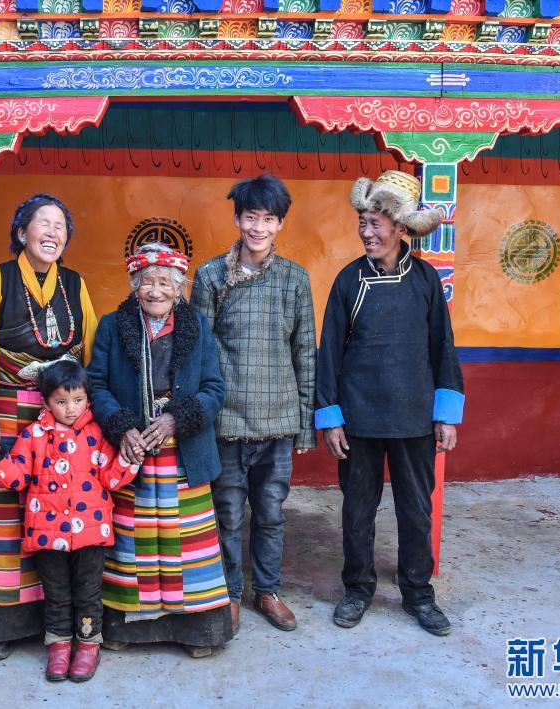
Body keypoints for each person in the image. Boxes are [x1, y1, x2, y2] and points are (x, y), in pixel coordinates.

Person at [315, 170, 465, 637]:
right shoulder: (349, 280)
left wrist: (446, 415)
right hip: (359, 420)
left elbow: (443, 347)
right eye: (362, 222)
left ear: (400, 228)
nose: (366, 232)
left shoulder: (425, 279)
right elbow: (329, 352)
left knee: (416, 511)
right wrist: (331, 418)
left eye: (375, 223)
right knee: (357, 511)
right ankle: (357, 589)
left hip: (414, 419)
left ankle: (418, 593)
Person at [0, 193, 98, 660]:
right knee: (3, 515)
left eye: (61, 226)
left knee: (61, 513)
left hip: (63, 416)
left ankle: (59, 624)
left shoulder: (74, 284)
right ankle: (2, 622)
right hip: (5, 411)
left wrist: (90, 417)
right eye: (43, 223)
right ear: (22, 233)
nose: (53, 232)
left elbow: (90, 350)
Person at [86, 242, 232, 658]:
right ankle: (127, 629)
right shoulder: (112, 325)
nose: (155, 291)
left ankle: (197, 631)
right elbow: (96, 384)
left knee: (185, 542)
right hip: (132, 453)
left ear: (179, 288)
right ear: (134, 286)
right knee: (133, 542)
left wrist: (174, 420)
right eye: (147, 282)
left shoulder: (196, 325)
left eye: (165, 283)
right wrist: (123, 426)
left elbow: (214, 389)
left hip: (183, 452)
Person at [191, 174, 316, 634]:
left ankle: (268, 590)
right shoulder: (210, 276)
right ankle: (229, 593)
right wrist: (200, 419)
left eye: (268, 219)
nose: (258, 227)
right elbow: (198, 352)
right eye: (250, 217)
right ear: (237, 219)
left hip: (278, 420)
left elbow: (305, 352)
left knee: (271, 514)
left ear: (280, 224)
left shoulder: (294, 278)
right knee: (226, 514)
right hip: (225, 420)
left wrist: (305, 424)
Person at [0, 359, 140, 682]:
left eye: (78, 399)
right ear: (46, 402)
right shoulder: (34, 435)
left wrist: (128, 459)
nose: (71, 409)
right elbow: (17, 478)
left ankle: (88, 645)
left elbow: (111, 478)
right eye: (62, 401)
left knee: (88, 593)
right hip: (46, 535)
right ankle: (59, 646)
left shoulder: (98, 434)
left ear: (87, 398)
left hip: (91, 533)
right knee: (56, 594)